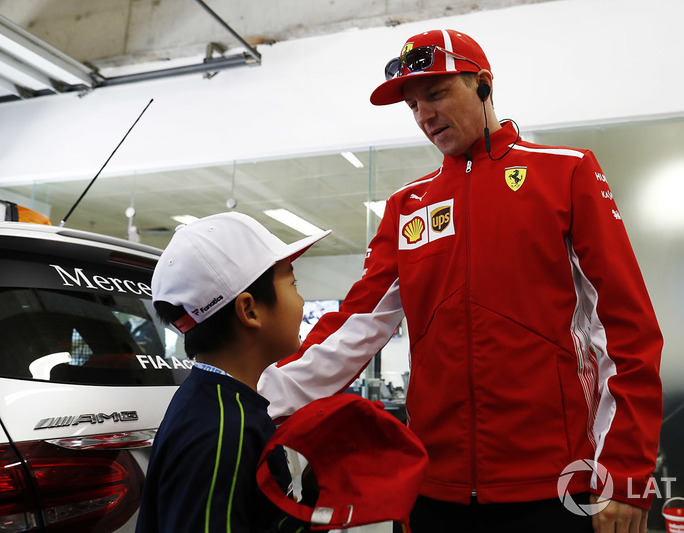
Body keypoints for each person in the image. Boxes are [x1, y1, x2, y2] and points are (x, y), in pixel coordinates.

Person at [258, 29, 662, 533]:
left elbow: (627, 330)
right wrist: (256, 398)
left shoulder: (566, 173)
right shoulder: (407, 207)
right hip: (435, 491)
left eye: (436, 93)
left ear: (483, 85)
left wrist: (623, 474)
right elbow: (352, 325)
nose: (423, 115)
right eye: (411, 104)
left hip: (554, 487)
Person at [136, 212, 329, 533]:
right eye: (293, 284)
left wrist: (312, 493)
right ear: (250, 309)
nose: (302, 301)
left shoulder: (210, 402)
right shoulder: (225, 431)